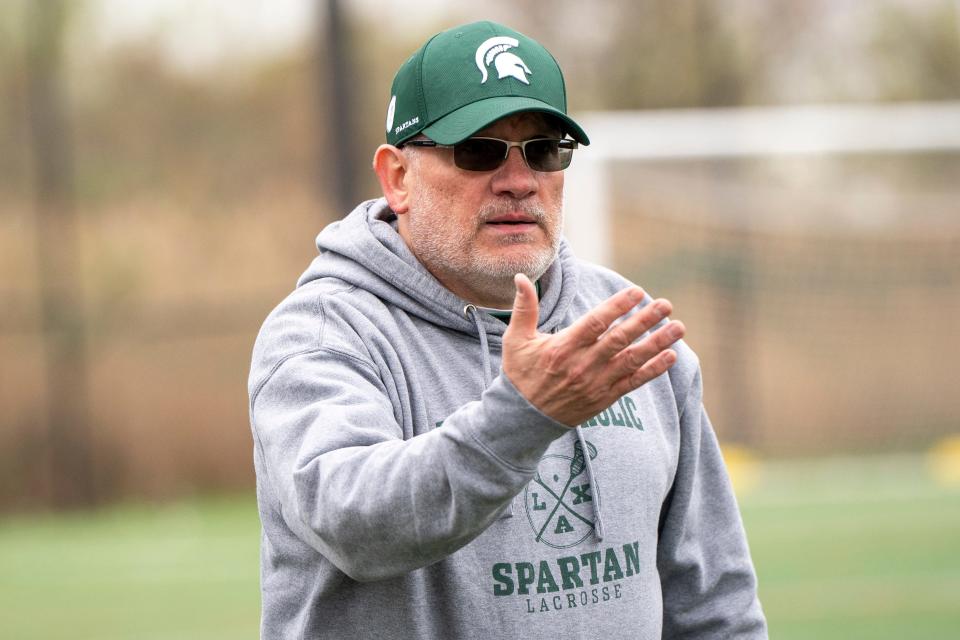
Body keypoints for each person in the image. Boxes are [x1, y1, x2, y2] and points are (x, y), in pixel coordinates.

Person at [248, 20, 767, 639]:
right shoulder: (325, 334)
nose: (520, 180)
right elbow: (354, 525)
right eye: (479, 149)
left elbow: (714, 605)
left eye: (545, 149)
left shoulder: (630, 330)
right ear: (398, 178)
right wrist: (521, 417)